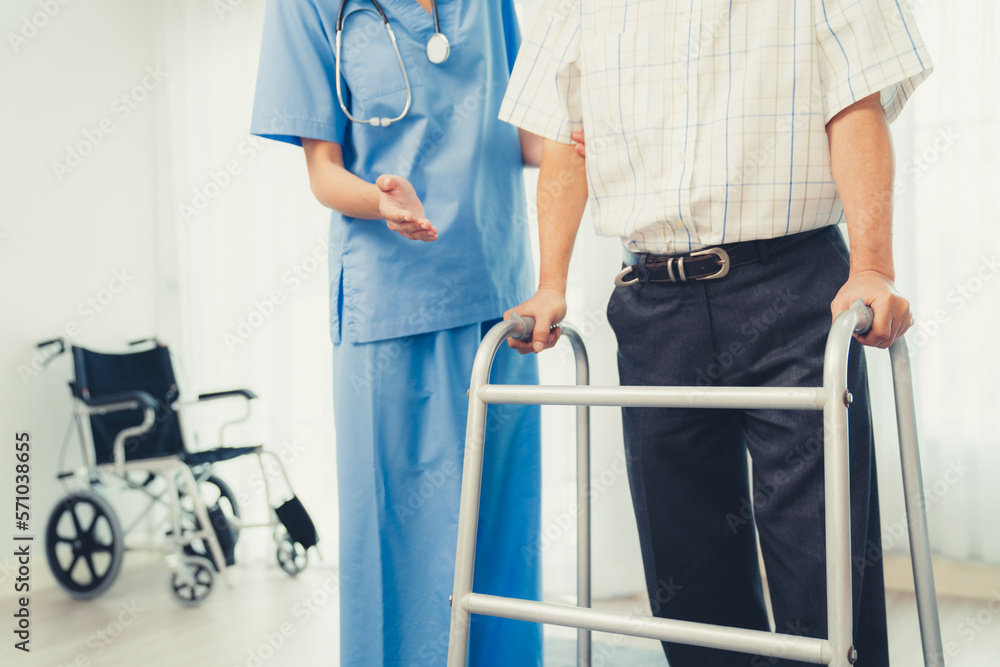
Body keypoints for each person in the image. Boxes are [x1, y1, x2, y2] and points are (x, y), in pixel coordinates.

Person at [501, 1, 932, 665]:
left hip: (791, 292)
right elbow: (564, 129)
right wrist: (551, 280)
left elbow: (856, 103)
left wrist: (872, 266)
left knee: (824, 578)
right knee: (689, 583)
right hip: (653, 304)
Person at [250, 1, 545, 664]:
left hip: (499, 304)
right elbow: (322, 171)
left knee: (500, 543)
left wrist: (576, 136)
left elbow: (520, 126)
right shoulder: (309, 8)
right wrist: (381, 202)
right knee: (399, 544)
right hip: (390, 303)